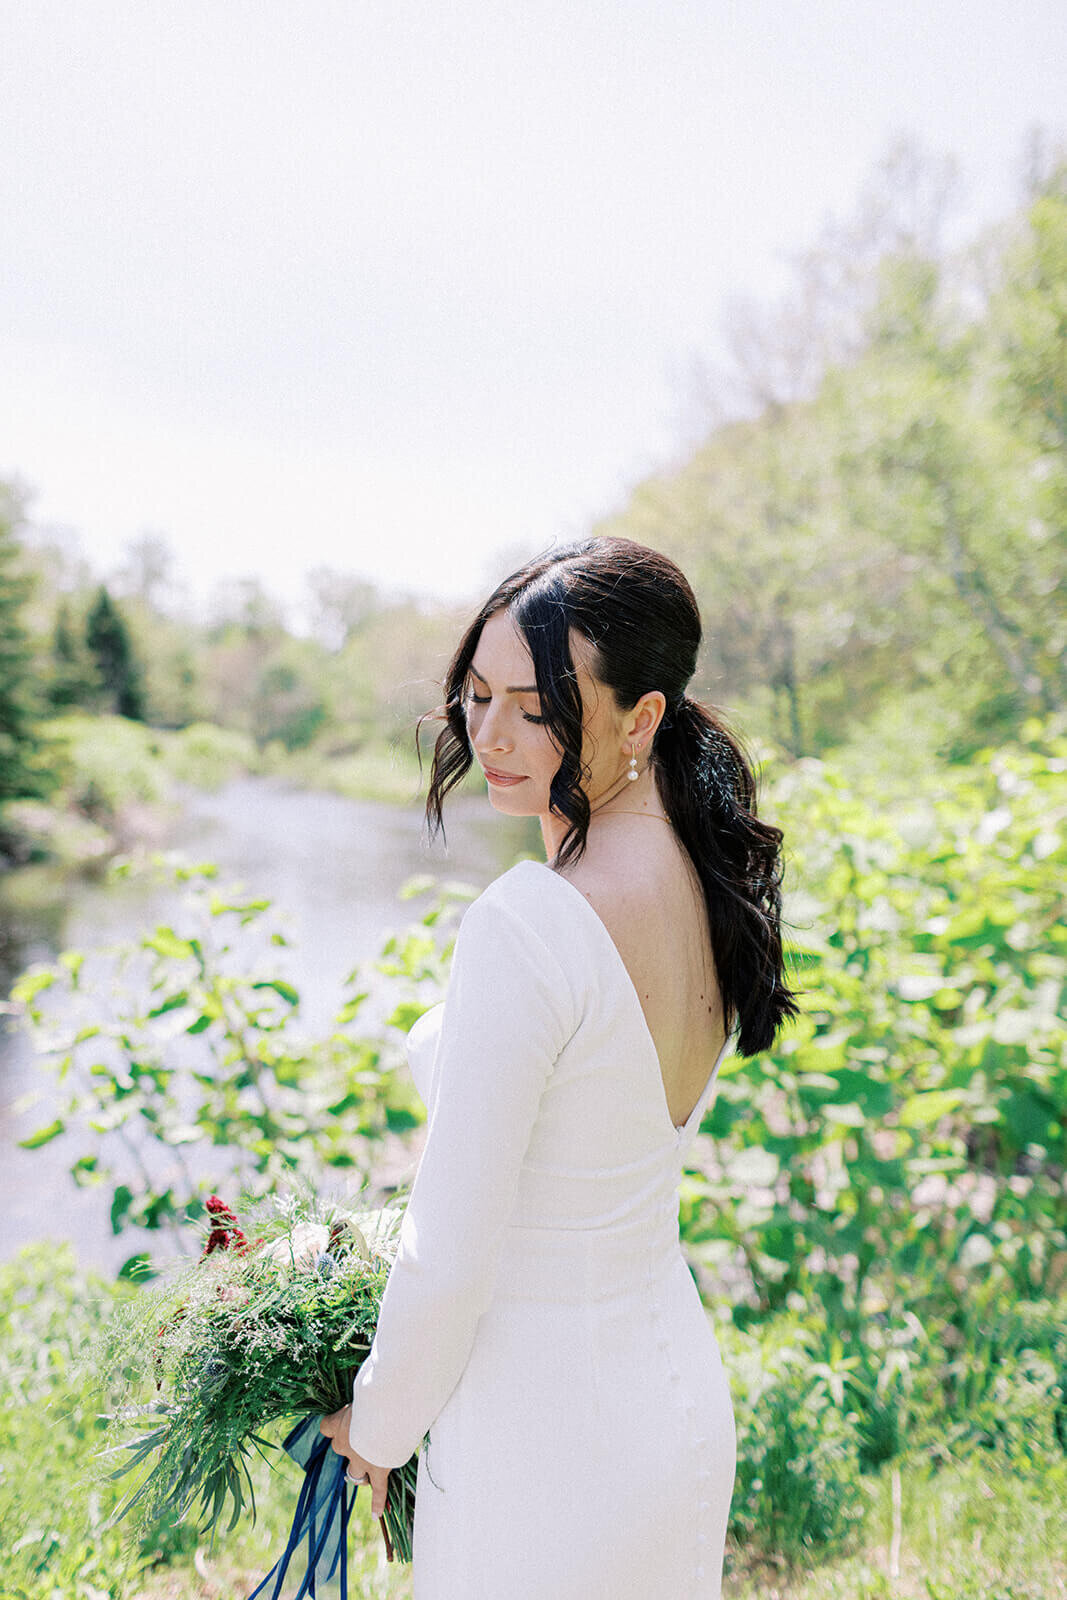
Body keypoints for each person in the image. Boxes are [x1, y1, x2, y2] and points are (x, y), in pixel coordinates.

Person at [320, 536, 799, 1597]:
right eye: (475, 694)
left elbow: (450, 1250)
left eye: (535, 707)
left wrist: (380, 1421)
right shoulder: (702, 881)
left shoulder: (531, 921)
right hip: (666, 1391)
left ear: (641, 717)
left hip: (538, 1433)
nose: (489, 733)